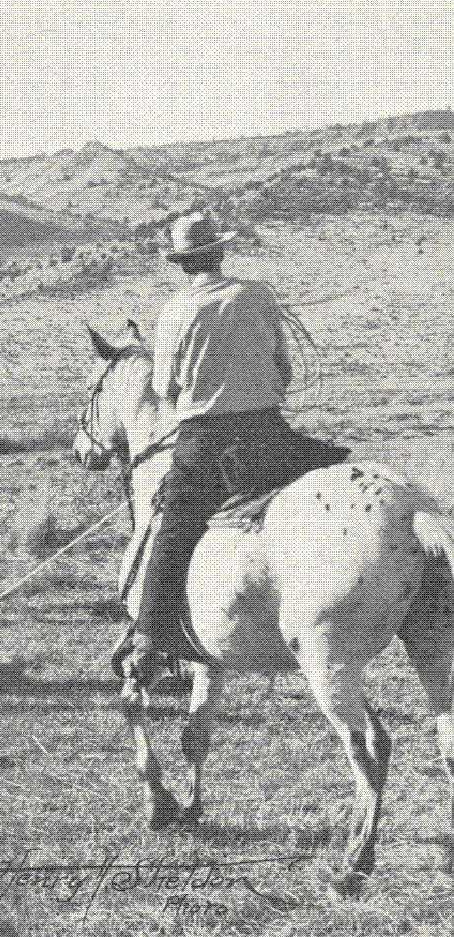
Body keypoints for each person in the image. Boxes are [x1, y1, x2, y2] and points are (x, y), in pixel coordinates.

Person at [125, 211, 349, 683]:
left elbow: (165, 388)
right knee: (339, 467)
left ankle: (147, 639)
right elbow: (284, 370)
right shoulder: (258, 295)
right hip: (272, 438)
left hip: (206, 445)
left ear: (183, 263)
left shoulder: (175, 311)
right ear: (221, 252)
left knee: (172, 526)